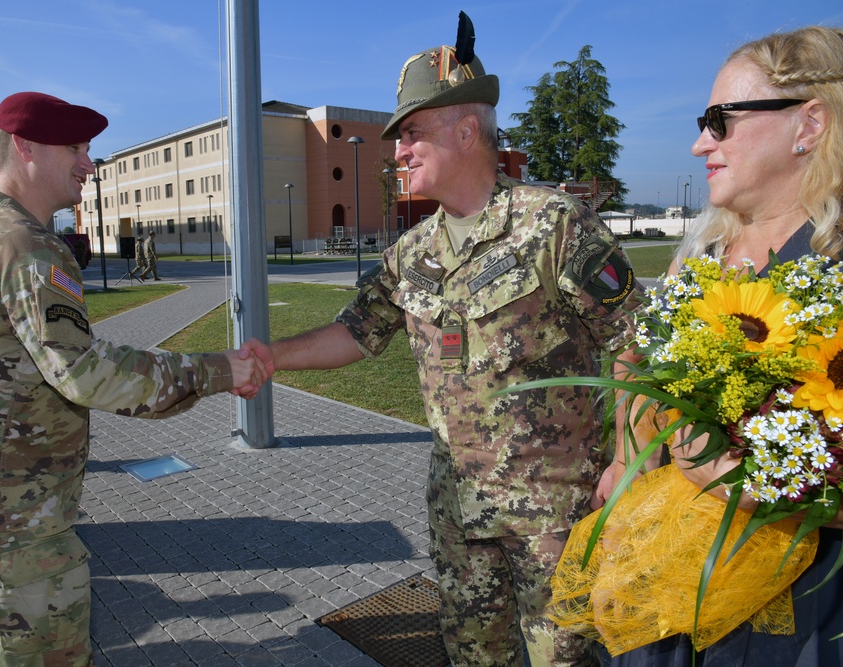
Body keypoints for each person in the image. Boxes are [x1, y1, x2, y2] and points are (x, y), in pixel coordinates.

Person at [242, 15, 643, 667]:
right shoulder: (414, 252)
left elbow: (635, 340)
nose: (397, 151)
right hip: (459, 511)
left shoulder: (555, 226)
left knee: (566, 657)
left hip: (554, 513)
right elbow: (356, 331)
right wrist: (272, 357)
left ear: (465, 128)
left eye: (413, 134)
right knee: (471, 654)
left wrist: (628, 457)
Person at [0, 91, 269, 666]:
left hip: (3, 502)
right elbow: (85, 371)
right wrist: (217, 371)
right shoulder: (20, 244)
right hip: (10, 514)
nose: (89, 164)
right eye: (76, 148)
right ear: (25, 146)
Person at [593, 25, 843, 667]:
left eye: (719, 120)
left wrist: (742, 482)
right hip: (681, 582)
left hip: (798, 605)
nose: (700, 142)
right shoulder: (705, 253)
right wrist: (627, 458)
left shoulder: (832, 265)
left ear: (808, 124)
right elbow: (637, 359)